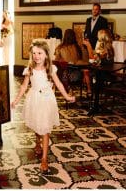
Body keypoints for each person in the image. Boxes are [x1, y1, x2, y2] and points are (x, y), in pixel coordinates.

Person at [11, 39, 75, 173]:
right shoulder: (29, 69)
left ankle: (44, 159)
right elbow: (23, 86)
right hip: (34, 99)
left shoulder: (50, 68)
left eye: (39, 53)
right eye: (34, 53)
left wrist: (67, 96)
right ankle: (37, 141)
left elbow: (58, 84)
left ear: (46, 54)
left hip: (47, 100)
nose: (36, 56)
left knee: (45, 128)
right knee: (36, 123)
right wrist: (16, 100)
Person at [54, 29, 91, 94]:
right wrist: (76, 62)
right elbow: (86, 62)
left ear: (64, 36)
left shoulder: (59, 48)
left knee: (63, 72)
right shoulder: (80, 47)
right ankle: (88, 89)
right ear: (74, 36)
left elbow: (56, 62)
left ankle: (66, 89)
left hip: (62, 76)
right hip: (76, 75)